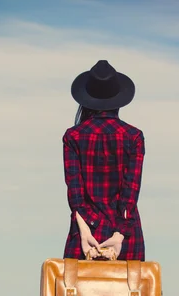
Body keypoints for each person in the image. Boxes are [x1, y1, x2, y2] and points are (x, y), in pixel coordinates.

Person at [62, 60, 146, 261]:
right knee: (131, 290)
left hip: (86, 232)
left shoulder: (73, 136)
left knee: (75, 290)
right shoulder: (133, 136)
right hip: (124, 235)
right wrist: (119, 234)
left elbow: (75, 194)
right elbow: (130, 193)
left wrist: (84, 232)